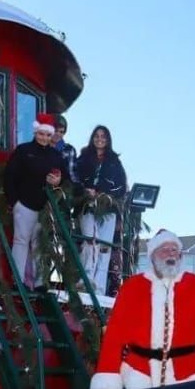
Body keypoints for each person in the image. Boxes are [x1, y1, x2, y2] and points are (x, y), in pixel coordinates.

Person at [90, 230, 195, 389]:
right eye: (164, 250)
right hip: (141, 375)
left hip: (188, 375)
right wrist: (108, 374)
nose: (170, 254)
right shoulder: (132, 288)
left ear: (180, 256)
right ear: (152, 256)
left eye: (174, 250)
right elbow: (115, 335)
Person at [2, 113, 69, 289]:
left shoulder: (56, 156)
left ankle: (40, 282)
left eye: (48, 135)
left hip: (45, 207)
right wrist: (14, 200)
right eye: (41, 134)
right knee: (21, 241)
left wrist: (58, 181)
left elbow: (66, 179)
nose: (44, 138)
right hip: (24, 204)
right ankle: (18, 280)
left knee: (41, 244)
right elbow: (9, 176)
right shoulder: (23, 151)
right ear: (35, 132)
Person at [76, 125, 127, 295]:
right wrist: (85, 190)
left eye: (103, 136)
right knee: (90, 240)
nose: (100, 139)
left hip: (108, 208)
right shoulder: (84, 157)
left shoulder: (114, 161)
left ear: (108, 139)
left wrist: (105, 194)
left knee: (105, 246)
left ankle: (99, 287)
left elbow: (121, 186)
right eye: (97, 136)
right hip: (87, 206)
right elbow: (75, 178)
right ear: (92, 138)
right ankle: (86, 280)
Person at [53, 115, 78, 185]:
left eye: (61, 132)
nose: (58, 134)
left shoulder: (69, 150)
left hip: (61, 189)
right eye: (55, 130)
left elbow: (72, 173)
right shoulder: (42, 147)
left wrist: (77, 185)